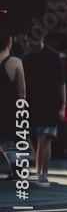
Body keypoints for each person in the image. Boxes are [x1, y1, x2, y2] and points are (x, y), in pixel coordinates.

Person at [21, 27, 66, 186]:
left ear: (39, 40)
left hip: (49, 103)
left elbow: (61, 83)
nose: (27, 44)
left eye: (28, 41)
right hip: (31, 105)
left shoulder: (53, 57)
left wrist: (62, 105)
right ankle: (40, 171)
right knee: (34, 139)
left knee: (44, 138)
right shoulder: (25, 59)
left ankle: (43, 174)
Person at [0, 29, 26, 179]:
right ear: (9, 43)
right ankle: (15, 166)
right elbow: (22, 91)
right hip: (9, 107)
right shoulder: (15, 62)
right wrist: (21, 109)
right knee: (9, 138)